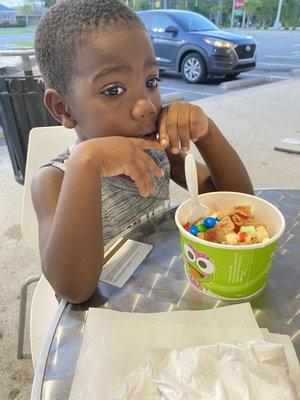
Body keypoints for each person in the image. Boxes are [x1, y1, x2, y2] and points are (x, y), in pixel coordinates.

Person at [32, 0, 253, 304]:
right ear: (63, 107)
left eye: (151, 82)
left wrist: (207, 131)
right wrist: (86, 161)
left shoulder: (157, 151)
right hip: (104, 319)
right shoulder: (54, 180)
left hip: (163, 290)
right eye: (114, 90)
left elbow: (239, 202)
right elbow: (73, 289)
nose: (146, 106)